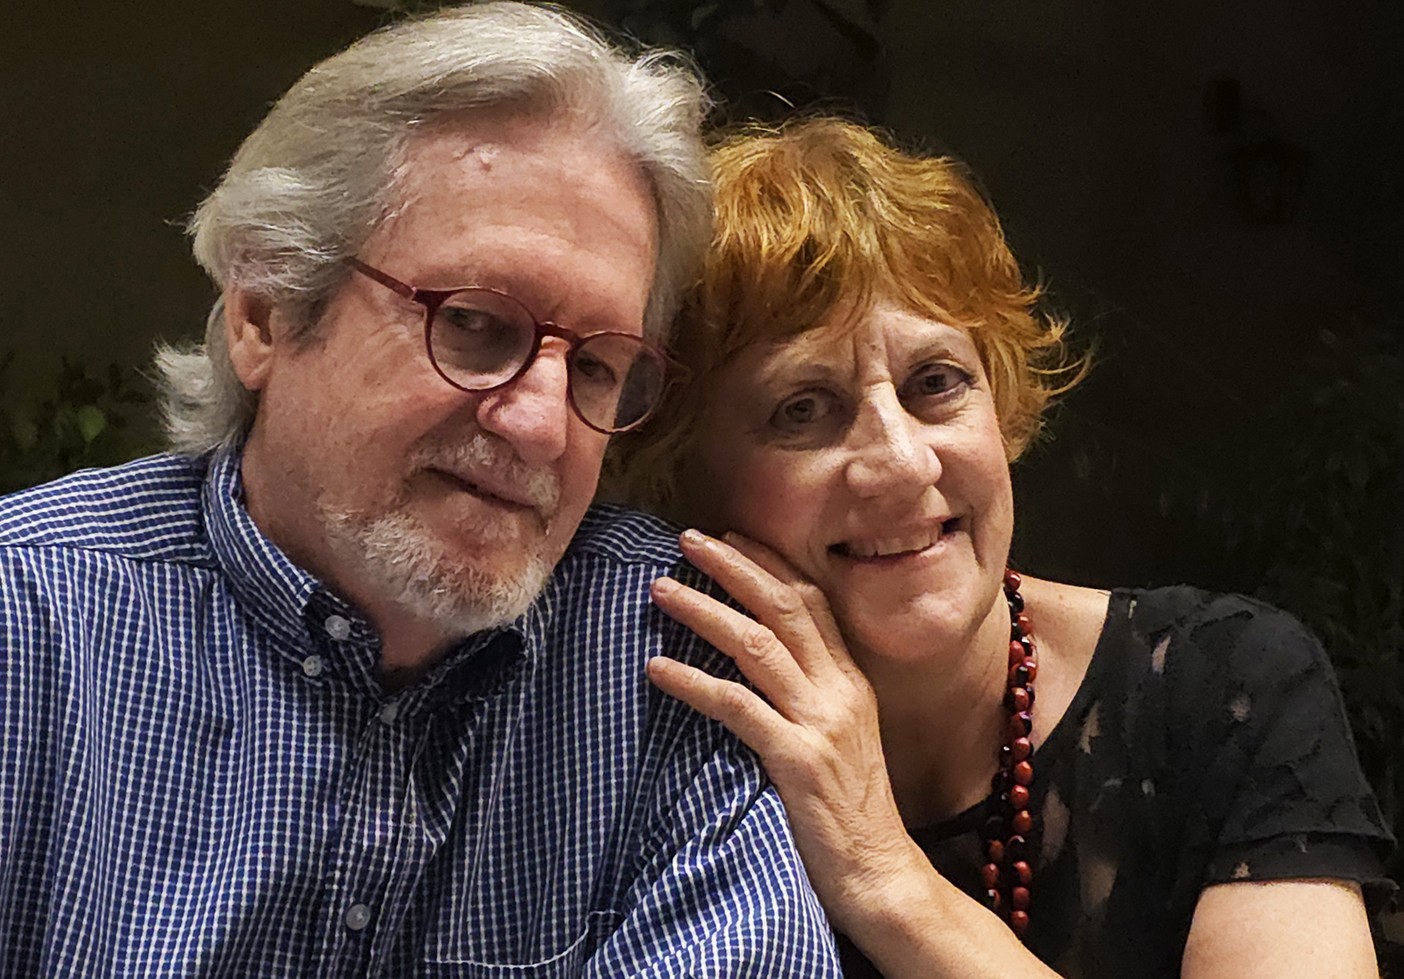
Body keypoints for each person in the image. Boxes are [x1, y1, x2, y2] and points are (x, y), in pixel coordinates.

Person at [0, 7, 843, 975]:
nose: (541, 424)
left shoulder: (669, 662)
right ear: (266, 311)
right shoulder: (29, 626)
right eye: (476, 325)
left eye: (597, 366)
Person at [605, 117, 1395, 978]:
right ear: (681, 474)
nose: (902, 462)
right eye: (802, 408)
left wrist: (886, 875)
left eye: (935, 382)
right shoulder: (636, 745)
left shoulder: (1228, 685)